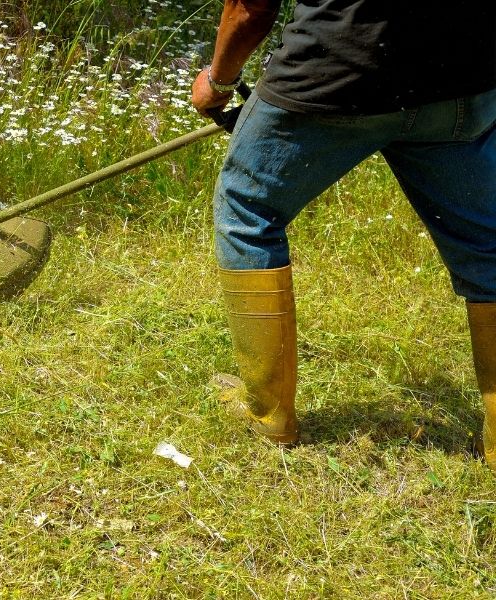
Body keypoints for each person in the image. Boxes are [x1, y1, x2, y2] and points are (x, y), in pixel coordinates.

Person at [191, 1, 496, 469]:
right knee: (488, 250)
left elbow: (249, 7)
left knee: (247, 209)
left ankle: (268, 415)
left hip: (334, 75)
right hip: (461, 82)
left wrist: (218, 83)